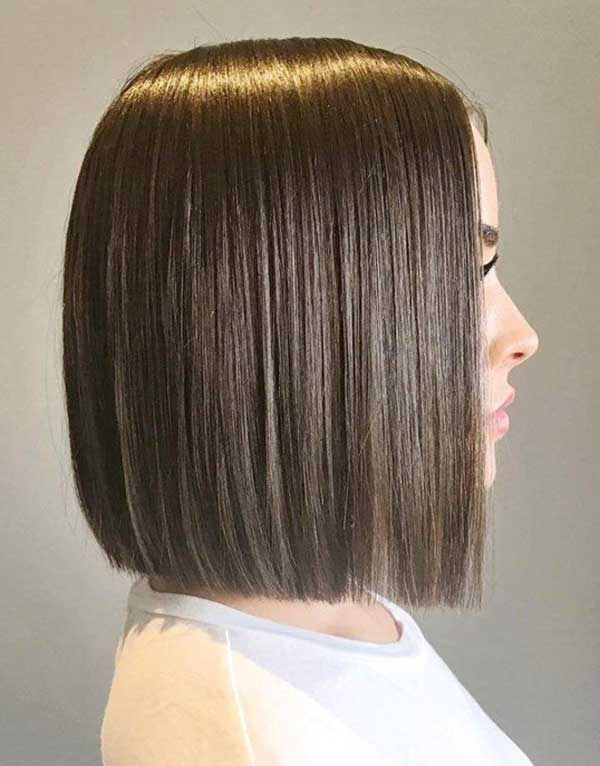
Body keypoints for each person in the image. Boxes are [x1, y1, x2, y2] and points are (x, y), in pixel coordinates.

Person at [62, 36, 539, 765]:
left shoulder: (327, 613)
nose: (522, 336)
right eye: (458, 274)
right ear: (282, 322)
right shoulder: (251, 738)